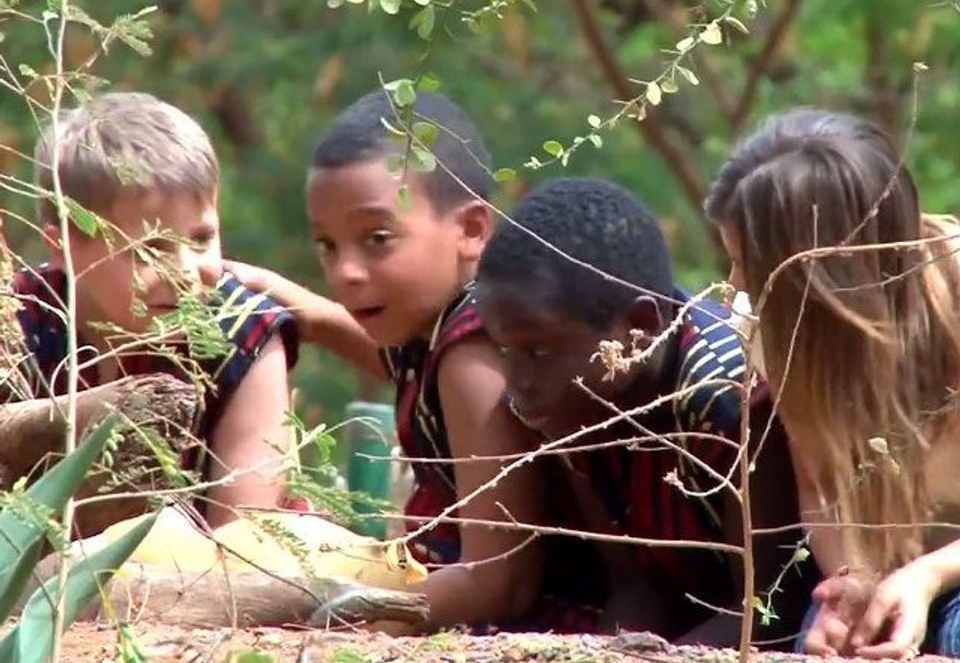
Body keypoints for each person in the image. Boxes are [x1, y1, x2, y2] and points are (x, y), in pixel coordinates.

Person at [226, 89, 550, 632]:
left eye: (377, 238)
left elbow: (500, 581)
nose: (346, 272)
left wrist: (351, 623)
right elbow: (403, 372)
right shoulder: (437, 327)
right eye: (327, 246)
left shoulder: (471, 353)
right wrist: (314, 314)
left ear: (471, 230)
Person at [475, 176, 813, 646]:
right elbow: (639, 583)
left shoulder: (724, 396)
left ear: (640, 326)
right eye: (504, 351)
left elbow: (768, 608)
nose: (519, 383)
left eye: (539, 353)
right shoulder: (575, 409)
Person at [705, 108, 960, 659]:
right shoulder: (772, 330)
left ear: (821, 277)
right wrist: (856, 582)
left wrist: (928, 576)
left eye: (748, 262)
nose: (735, 284)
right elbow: (821, 487)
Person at [9, 92, 299, 531]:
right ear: (63, 247)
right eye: (150, 249)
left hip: (199, 583)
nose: (184, 271)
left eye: (201, 239)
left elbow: (247, 536)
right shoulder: (17, 318)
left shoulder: (243, 333)